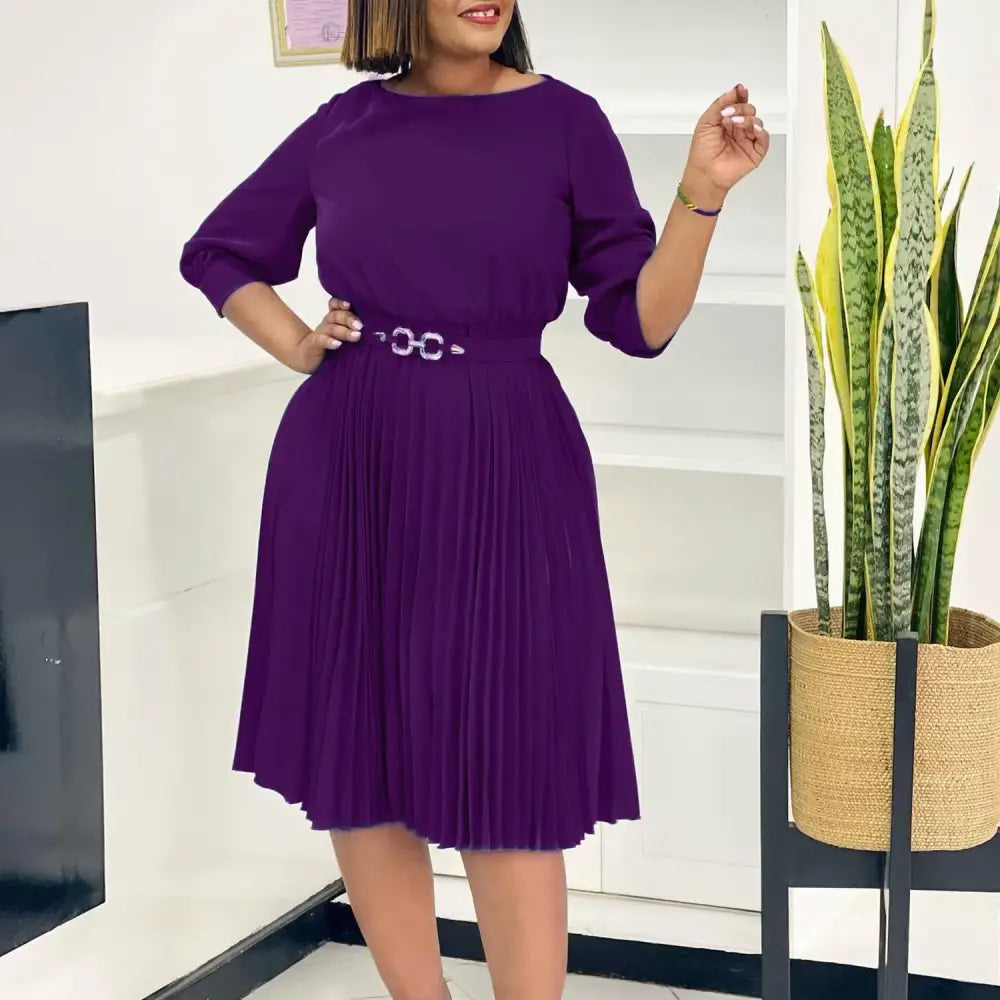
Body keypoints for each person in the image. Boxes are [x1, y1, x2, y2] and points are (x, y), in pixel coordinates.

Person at [179, 1, 769, 997]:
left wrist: (700, 196)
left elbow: (640, 322)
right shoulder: (345, 125)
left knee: (511, 762)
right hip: (351, 455)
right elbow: (219, 251)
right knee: (360, 762)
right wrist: (296, 343)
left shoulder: (566, 122)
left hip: (507, 453)